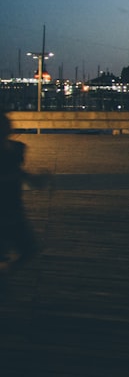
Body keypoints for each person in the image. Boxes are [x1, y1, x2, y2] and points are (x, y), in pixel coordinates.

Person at [0, 112, 50, 274]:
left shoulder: (16, 149)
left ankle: (7, 271)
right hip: (10, 210)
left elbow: (19, 172)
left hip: (13, 210)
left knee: (28, 249)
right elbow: (16, 173)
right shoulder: (16, 149)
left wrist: (35, 180)